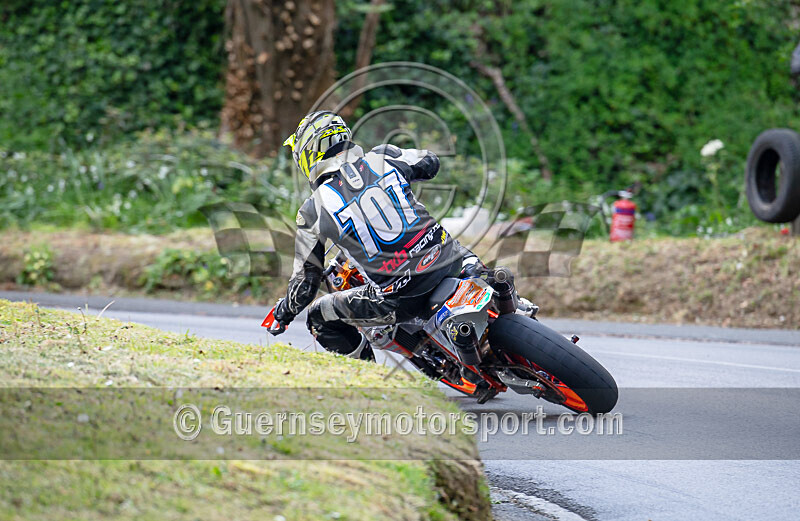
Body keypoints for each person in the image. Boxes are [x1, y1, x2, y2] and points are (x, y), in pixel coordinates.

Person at [267, 111, 481, 360]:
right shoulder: (383, 156)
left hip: (400, 298)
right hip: (447, 259)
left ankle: (366, 374)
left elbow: (306, 283)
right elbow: (431, 163)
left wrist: (284, 313)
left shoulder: (312, 209)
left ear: (308, 153)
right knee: (469, 260)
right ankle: (510, 300)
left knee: (318, 316)